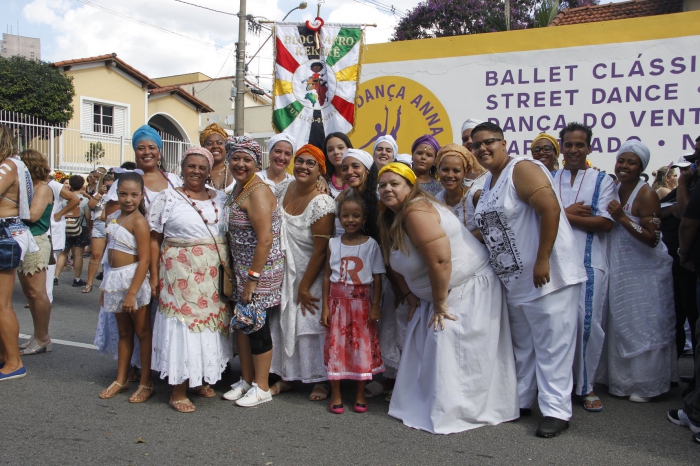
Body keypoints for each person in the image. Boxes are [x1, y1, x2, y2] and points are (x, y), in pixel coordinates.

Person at [378, 162, 518, 434]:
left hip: (467, 286)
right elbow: (400, 261)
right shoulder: (393, 216)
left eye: (394, 183)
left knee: (450, 341)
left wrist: (440, 304)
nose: (387, 189)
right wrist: (414, 296)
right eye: (382, 185)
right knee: (433, 348)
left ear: (410, 186)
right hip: (439, 292)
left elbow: (441, 261)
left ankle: (463, 411)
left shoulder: (416, 211)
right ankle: (436, 406)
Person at [472, 122, 586, 438]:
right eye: (476, 145)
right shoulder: (489, 182)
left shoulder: (521, 169)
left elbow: (550, 209)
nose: (482, 148)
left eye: (489, 141)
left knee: (552, 347)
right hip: (516, 282)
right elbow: (489, 229)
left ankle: (556, 411)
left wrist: (543, 258)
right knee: (523, 347)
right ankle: (521, 400)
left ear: (504, 142)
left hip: (549, 277)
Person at [149, 146, 231, 413]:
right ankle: (178, 389)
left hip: (212, 276)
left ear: (209, 171)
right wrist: (153, 275)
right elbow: (154, 239)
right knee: (182, 326)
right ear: (182, 168)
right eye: (191, 166)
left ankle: (199, 379)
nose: (196, 171)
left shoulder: (220, 198)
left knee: (208, 328)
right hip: (178, 274)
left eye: (201, 167)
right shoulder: (167, 198)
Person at [597, 140, 675, 403]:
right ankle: (621, 380)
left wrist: (622, 217)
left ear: (641, 167)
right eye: (621, 160)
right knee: (620, 321)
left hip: (645, 271)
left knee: (643, 323)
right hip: (621, 269)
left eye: (631, 162)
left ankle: (646, 384)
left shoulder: (646, 194)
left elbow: (652, 238)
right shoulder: (614, 187)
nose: (624, 166)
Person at [553, 123, 617, 413]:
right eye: (569, 144)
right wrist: (566, 214)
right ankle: (560, 384)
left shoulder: (603, 180)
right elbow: (537, 216)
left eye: (580, 145)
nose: (574, 150)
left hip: (590, 262)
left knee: (587, 323)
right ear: (562, 147)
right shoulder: (550, 177)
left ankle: (587, 385)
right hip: (554, 262)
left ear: (589, 147)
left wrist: (558, 216)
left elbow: (604, 223)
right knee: (558, 325)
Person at [270, 144, 336, 401]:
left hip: (311, 274)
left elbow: (321, 251)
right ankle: (287, 376)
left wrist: (304, 287)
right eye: (300, 161)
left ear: (320, 170)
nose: (303, 167)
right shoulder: (282, 188)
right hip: (282, 271)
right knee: (283, 323)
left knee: (309, 325)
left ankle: (320, 380)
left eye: (311, 163)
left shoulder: (323, 202)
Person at [223, 136, 285, 407]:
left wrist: (252, 280)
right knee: (244, 325)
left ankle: (262, 387)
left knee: (257, 327)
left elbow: (266, 240)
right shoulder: (239, 188)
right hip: (242, 272)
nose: (240, 164)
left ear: (256, 163)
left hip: (259, 273)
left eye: (247, 159)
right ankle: (247, 380)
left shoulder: (257, 191)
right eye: (235, 158)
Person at [321, 196, 385, 414]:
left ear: (364, 218)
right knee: (337, 348)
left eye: (356, 215)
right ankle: (336, 393)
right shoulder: (333, 243)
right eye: (345, 215)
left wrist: (376, 305)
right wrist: (325, 307)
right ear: (339, 218)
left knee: (361, 349)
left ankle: (360, 392)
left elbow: (377, 278)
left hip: (361, 305)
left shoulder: (371, 244)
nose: (350, 220)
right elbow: (327, 277)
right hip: (337, 304)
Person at [98, 172, 153, 403]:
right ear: (116, 194)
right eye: (123, 194)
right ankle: (121, 378)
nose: (128, 199)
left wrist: (132, 292)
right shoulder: (114, 216)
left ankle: (146, 382)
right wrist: (104, 286)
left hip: (133, 281)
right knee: (123, 332)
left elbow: (145, 259)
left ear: (142, 196)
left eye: (134, 195)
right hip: (114, 279)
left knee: (142, 332)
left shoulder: (139, 222)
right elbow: (107, 251)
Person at [0, 125, 36, 381]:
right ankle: (6, 358)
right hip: (8, 232)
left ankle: (14, 363)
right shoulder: (13, 164)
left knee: (1, 304)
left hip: (5, 233)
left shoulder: (7, 166)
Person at [17, 150, 54, 356]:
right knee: (30, 294)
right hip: (28, 241)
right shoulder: (32, 188)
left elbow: (33, 215)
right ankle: (38, 335)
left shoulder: (42, 188)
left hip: (36, 242)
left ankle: (42, 337)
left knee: (36, 293)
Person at [434, 144, 483, 240]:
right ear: (438, 170)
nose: (450, 175)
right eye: (445, 169)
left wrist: (459, 240)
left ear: (465, 173)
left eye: (456, 171)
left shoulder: (475, 196)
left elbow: (489, 229)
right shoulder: (438, 199)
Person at [336, 149, 380, 241]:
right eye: (345, 169)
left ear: (367, 170)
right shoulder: (346, 198)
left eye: (355, 166)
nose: (349, 172)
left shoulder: (381, 194)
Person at [55, 175, 90, 287]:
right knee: (78, 255)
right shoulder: (85, 200)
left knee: (63, 253)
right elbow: (88, 217)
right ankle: (77, 278)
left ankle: (55, 277)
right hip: (81, 227)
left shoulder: (65, 199)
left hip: (66, 227)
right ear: (81, 185)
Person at [83, 174, 114, 293]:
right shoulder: (98, 193)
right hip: (98, 224)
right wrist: (100, 193)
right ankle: (89, 283)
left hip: (111, 224)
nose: (108, 186)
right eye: (106, 184)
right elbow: (90, 206)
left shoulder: (116, 194)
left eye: (111, 184)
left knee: (110, 257)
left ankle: (107, 284)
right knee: (96, 254)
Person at [200, 123, 234, 192]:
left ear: (226, 146)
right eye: (209, 144)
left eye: (219, 143)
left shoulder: (236, 171)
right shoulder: (198, 173)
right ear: (203, 148)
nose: (215, 146)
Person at [460, 118, 489, 186]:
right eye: (465, 139)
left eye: (473, 137)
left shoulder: (493, 173)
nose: (469, 141)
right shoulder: (458, 172)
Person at [324, 132, 351, 198]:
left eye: (340, 148)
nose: (336, 152)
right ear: (327, 155)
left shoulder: (360, 177)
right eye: (330, 150)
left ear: (349, 149)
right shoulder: (323, 181)